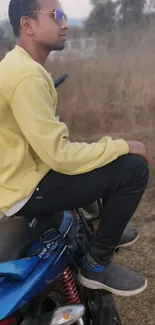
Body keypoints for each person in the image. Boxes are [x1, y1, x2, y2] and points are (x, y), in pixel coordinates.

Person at [0, 0, 149, 296]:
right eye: (56, 16)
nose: (64, 23)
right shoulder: (26, 75)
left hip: (26, 174)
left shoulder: (19, 65)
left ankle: (106, 232)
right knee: (133, 168)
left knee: (100, 157)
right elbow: (60, 156)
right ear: (27, 25)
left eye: (65, 16)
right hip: (25, 188)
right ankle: (97, 264)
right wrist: (121, 145)